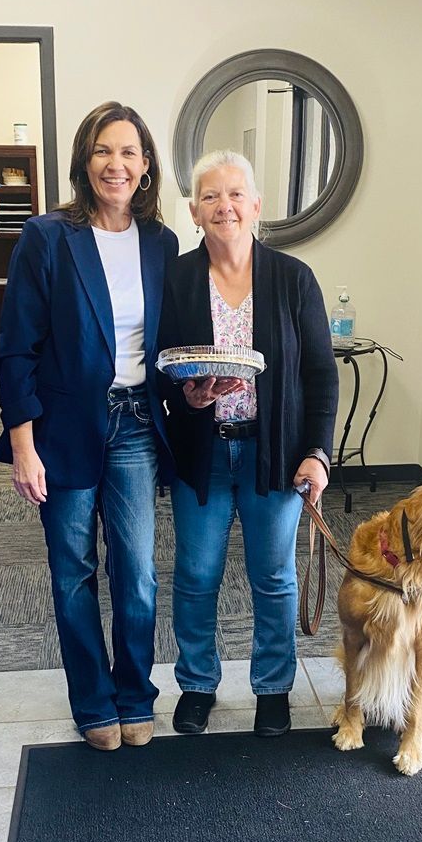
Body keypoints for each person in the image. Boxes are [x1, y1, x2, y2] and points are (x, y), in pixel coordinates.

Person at [0, 102, 178, 750]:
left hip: (135, 423)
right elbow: (15, 348)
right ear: (83, 160)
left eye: (128, 152)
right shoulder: (47, 237)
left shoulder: (160, 243)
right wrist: (23, 445)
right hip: (63, 427)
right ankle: (93, 700)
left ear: (146, 165)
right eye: (103, 150)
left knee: (138, 573)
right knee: (73, 570)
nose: (115, 164)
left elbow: (167, 343)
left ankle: (134, 694)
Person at [158, 149, 339, 738]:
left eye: (236, 194)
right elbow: (164, 365)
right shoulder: (177, 279)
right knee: (196, 575)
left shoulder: (293, 279)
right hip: (204, 454)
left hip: (275, 455)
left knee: (274, 576)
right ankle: (197, 684)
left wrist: (317, 452)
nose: (224, 206)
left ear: (256, 206)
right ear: (194, 211)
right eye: (210, 196)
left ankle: (273, 688)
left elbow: (321, 375)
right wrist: (190, 396)